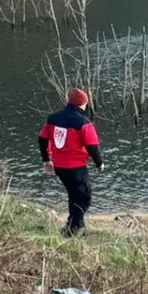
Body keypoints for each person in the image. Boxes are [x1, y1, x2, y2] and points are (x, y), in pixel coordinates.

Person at [38, 88, 104, 237]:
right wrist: (99, 163)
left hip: (60, 166)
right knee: (85, 197)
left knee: (74, 195)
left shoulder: (53, 118)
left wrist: (46, 160)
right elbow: (92, 145)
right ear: (83, 104)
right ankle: (73, 228)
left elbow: (42, 139)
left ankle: (76, 224)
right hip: (76, 167)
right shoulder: (83, 122)